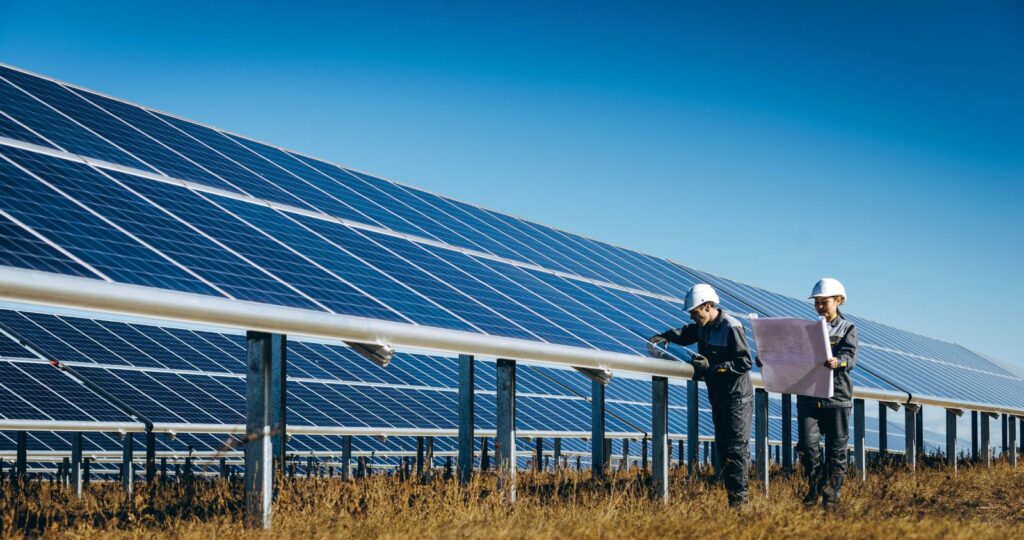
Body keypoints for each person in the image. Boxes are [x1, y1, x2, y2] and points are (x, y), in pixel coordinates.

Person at [648, 283, 753, 507]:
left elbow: (744, 363)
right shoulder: (702, 326)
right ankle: (732, 499)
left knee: (736, 449)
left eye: (695, 312)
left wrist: (712, 367)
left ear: (707, 306)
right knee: (724, 448)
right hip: (718, 396)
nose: (694, 317)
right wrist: (664, 337)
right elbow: (685, 333)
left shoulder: (731, 326)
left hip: (737, 398)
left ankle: (741, 504)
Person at [797, 277, 858, 509]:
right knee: (806, 445)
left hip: (837, 397)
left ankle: (831, 500)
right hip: (809, 395)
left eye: (825, 302)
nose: (820, 307)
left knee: (836, 451)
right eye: (817, 303)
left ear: (839, 301)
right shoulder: (808, 329)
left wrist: (839, 362)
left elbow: (850, 357)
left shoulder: (847, 328)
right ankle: (816, 485)